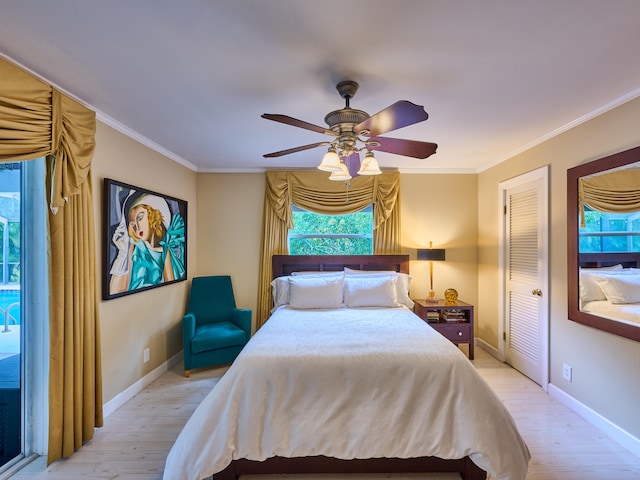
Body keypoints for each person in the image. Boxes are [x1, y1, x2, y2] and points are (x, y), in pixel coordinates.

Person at [109, 192, 185, 295]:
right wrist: (122, 253)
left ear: (153, 215)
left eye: (140, 217)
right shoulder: (134, 246)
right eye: (132, 223)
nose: (137, 226)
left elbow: (172, 290)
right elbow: (114, 291)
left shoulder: (167, 250)